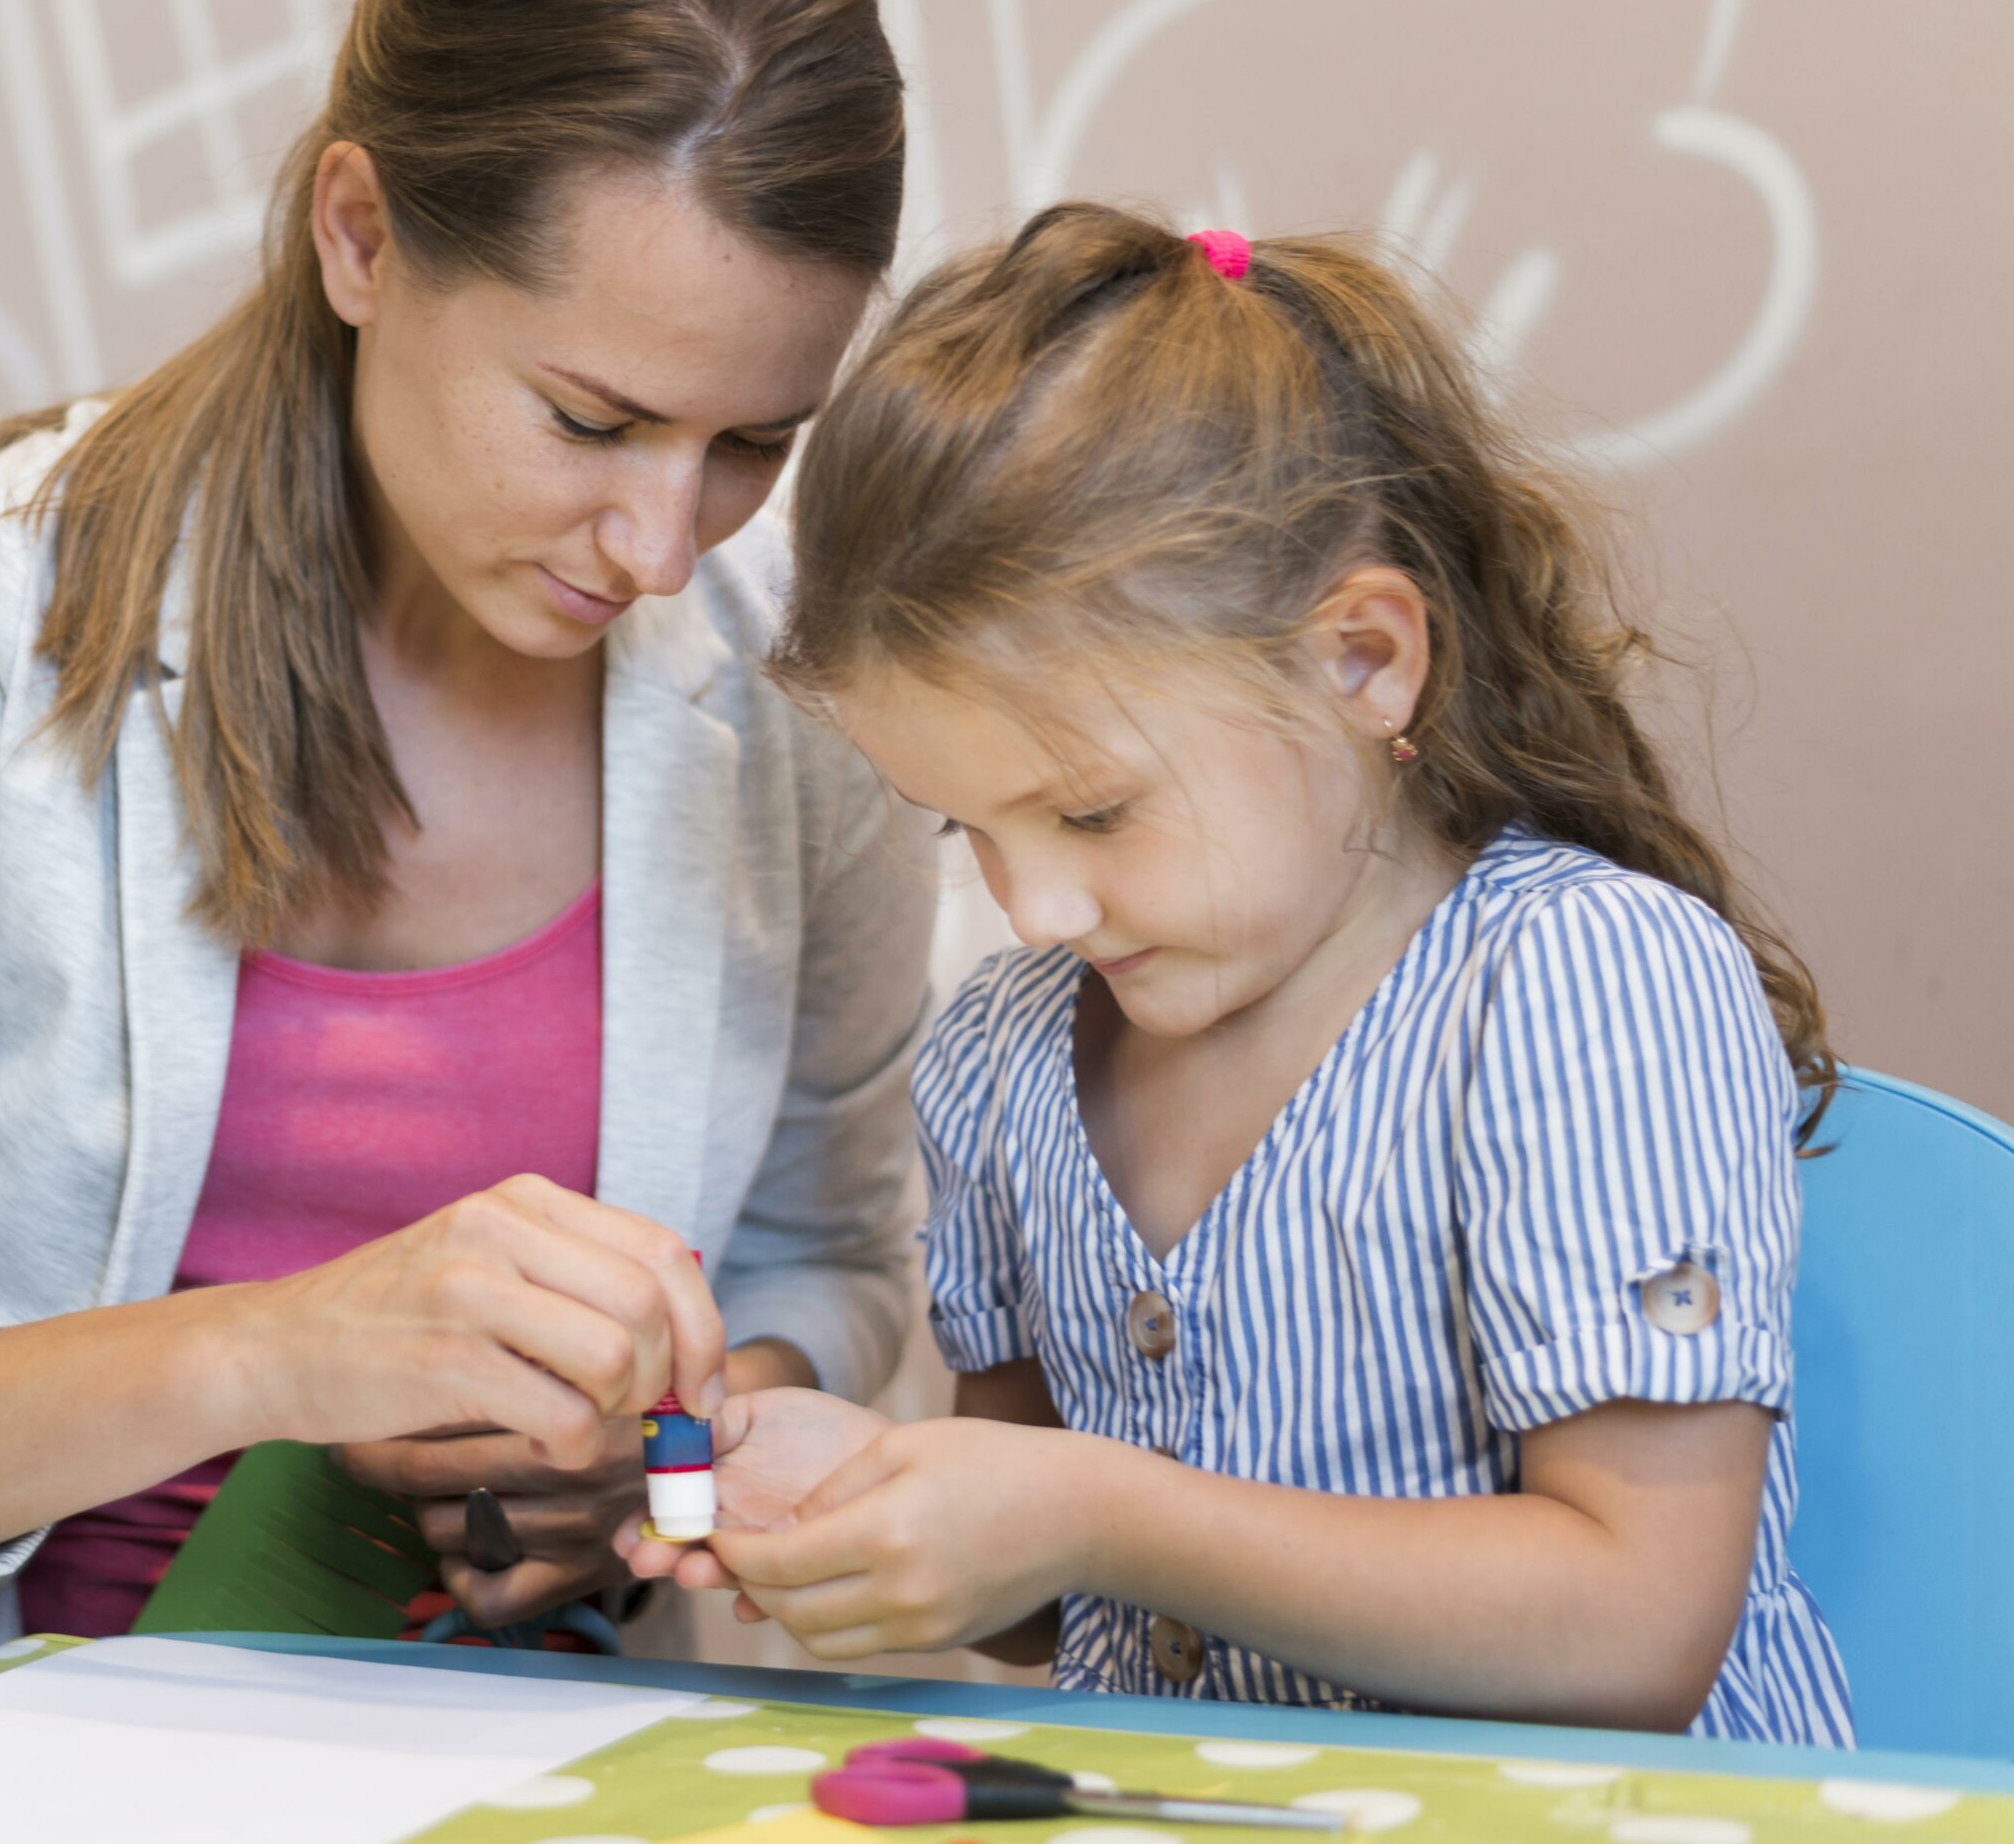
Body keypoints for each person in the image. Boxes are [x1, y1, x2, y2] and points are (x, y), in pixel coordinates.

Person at [0, 0, 933, 1776]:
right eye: (589, 419)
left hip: (486, 1767)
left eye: (745, 445)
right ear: (357, 234)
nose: (654, 544)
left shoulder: (791, 686)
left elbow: (828, 1257)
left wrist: (659, 1450)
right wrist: (282, 1353)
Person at [627, 207, 1854, 1743]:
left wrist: (1096, 1511)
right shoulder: (1003, 1058)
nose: (1040, 903)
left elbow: (1634, 1625)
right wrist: (864, 1498)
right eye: (966, 824)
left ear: (1361, 660)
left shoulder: (1584, 986)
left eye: (1092, 809)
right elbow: (1042, 1608)